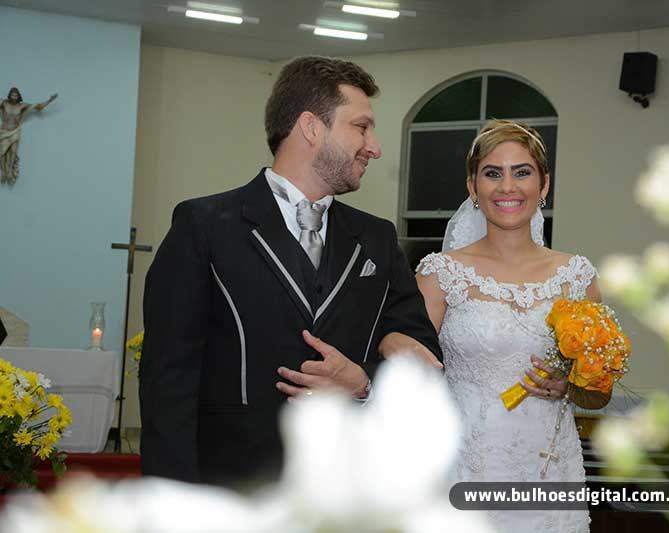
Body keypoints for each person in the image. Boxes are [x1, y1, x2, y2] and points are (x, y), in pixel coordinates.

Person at [140, 56, 442, 486]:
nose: (374, 147)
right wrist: (171, 501)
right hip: (231, 486)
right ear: (311, 127)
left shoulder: (376, 238)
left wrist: (364, 382)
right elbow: (167, 382)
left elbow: (425, 357)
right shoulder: (204, 226)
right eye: (361, 127)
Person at [415, 120, 603, 532]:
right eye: (492, 173)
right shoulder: (440, 274)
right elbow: (409, 379)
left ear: (544, 184)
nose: (507, 187)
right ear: (472, 187)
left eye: (522, 172)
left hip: (548, 472)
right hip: (464, 468)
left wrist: (570, 386)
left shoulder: (576, 276)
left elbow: (598, 394)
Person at [0, 88, 57, 184]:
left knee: (13, 151)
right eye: (12, 94)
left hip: (15, 131)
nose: (14, 96)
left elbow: (38, 107)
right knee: (2, 152)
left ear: (18, 96)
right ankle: (3, 172)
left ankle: (9, 171)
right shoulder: (4, 103)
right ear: (9, 95)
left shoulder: (22, 105)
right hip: (3, 131)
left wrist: (49, 100)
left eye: (16, 95)